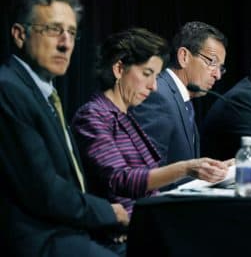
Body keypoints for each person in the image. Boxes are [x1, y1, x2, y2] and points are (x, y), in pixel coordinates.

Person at [0, 0, 130, 257]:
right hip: (37, 240)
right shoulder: (8, 89)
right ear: (19, 34)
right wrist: (107, 213)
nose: (65, 44)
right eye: (53, 30)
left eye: (72, 33)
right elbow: (43, 191)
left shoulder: (42, 93)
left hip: (67, 230)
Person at [72, 27, 228, 220]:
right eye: (147, 74)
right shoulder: (93, 115)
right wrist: (186, 168)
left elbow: (150, 175)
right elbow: (120, 179)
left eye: (156, 76)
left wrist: (215, 168)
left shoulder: (124, 117)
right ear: (119, 69)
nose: (154, 86)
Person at [131, 21, 228, 167]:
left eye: (221, 67)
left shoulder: (183, 99)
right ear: (184, 57)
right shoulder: (158, 96)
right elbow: (147, 173)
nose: (218, 75)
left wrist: (219, 172)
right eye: (212, 62)